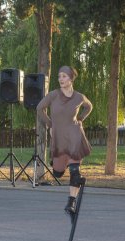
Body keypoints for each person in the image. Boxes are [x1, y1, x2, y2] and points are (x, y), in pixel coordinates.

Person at [37, 65, 92, 216]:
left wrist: (80, 119)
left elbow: (89, 107)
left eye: (64, 76)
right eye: (59, 76)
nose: (61, 79)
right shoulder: (53, 95)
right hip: (59, 137)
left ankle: (71, 202)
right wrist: (50, 125)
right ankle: (60, 164)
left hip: (74, 134)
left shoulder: (79, 97)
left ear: (71, 79)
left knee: (75, 173)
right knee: (58, 173)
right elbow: (39, 108)